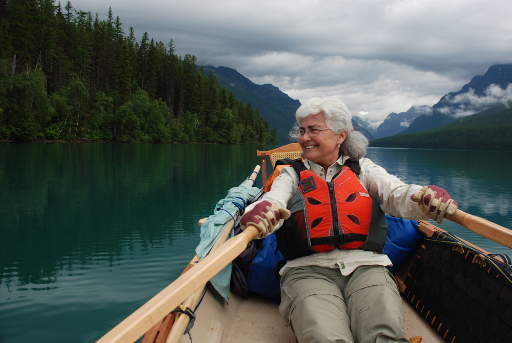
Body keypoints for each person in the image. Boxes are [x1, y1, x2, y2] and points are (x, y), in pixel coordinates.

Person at [240, 97, 457, 343]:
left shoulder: (364, 169)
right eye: (301, 131)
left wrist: (423, 198)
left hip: (366, 267)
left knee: (384, 336)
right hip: (307, 271)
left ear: (340, 136)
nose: (303, 138)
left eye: (313, 130)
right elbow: (274, 200)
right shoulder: (290, 173)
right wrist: (261, 212)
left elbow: (397, 194)